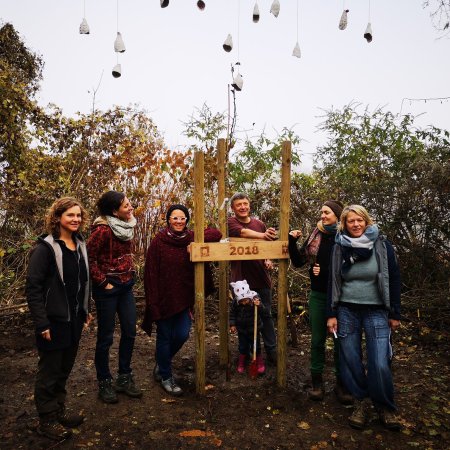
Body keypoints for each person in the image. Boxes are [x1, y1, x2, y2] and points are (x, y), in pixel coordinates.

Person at [326, 205, 401, 430]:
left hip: (377, 310)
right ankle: (361, 402)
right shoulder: (339, 246)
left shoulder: (382, 245)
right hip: (347, 310)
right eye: (351, 221)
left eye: (360, 220)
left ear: (367, 222)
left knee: (379, 361)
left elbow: (394, 278)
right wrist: (331, 313)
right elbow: (333, 279)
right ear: (344, 224)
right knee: (350, 359)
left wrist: (395, 312)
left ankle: (384, 406)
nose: (356, 224)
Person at [26, 197, 91, 440]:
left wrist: (86, 308)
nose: (76, 220)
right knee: (49, 373)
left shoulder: (80, 245)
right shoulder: (45, 249)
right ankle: (46, 420)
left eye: (78, 215)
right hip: (52, 322)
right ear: (57, 218)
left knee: (64, 369)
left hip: (73, 320)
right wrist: (41, 322)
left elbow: (83, 282)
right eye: (70, 215)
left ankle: (58, 411)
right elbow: (33, 289)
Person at [141, 204, 222, 396]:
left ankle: (162, 364)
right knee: (164, 337)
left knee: (182, 334)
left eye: (182, 218)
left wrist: (194, 240)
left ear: (187, 220)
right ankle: (167, 377)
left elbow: (216, 234)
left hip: (184, 298)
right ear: (168, 220)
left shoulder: (191, 238)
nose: (179, 221)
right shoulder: (158, 242)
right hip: (163, 299)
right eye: (175, 218)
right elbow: (150, 274)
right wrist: (153, 303)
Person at [289, 200, 352, 404]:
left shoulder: (347, 236)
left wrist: (323, 271)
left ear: (337, 215)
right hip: (318, 295)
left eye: (327, 212)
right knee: (317, 340)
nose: (323, 216)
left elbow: (349, 268)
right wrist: (292, 242)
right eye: (322, 212)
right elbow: (300, 261)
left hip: (341, 297)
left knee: (339, 341)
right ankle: (317, 383)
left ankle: (341, 385)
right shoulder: (317, 234)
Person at [87, 191, 142, 404]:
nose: (130, 208)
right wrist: (103, 282)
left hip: (125, 286)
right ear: (113, 211)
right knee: (106, 336)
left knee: (129, 331)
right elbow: (89, 258)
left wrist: (131, 272)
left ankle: (124, 377)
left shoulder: (126, 226)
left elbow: (125, 254)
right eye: (126, 206)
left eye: (130, 204)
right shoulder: (102, 230)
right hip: (107, 289)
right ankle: (104, 382)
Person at [227, 192, 277, 366]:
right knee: (244, 319)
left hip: (261, 279)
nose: (242, 207)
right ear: (233, 208)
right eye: (239, 204)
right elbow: (242, 232)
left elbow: (267, 248)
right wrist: (262, 236)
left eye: (245, 204)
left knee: (267, 315)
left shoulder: (260, 224)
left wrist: (268, 259)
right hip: (241, 282)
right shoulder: (230, 222)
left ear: (249, 205)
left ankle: (272, 351)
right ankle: (247, 353)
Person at [229, 280, 266, 375]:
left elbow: (263, 311)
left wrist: (259, 305)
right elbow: (232, 314)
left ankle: (259, 362)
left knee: (256, 346)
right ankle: (242, 362)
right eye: (242, 301)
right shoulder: (236, 303)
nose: (244, 303)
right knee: (242, 346)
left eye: (246, 300)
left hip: (254, 328)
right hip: (242, 329)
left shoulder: (255, 299)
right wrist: (232, 324)